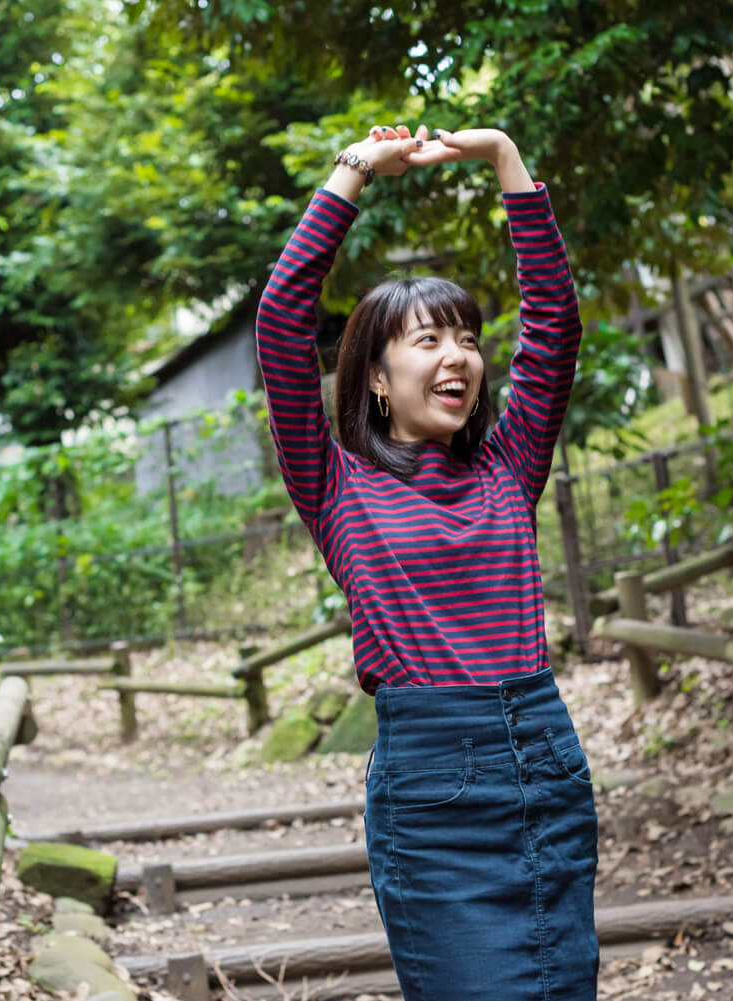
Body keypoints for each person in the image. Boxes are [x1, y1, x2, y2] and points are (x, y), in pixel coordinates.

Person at [255, 122, 596, 1001]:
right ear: (375, 375)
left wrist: (507, 159)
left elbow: (555, 330)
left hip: (543, 759)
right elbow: (281, 321)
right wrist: (353, 173)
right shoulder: (336, 484)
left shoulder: (508, 464)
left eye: (468, 339)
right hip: (435, 789)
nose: (458, 357)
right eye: (427, 341)